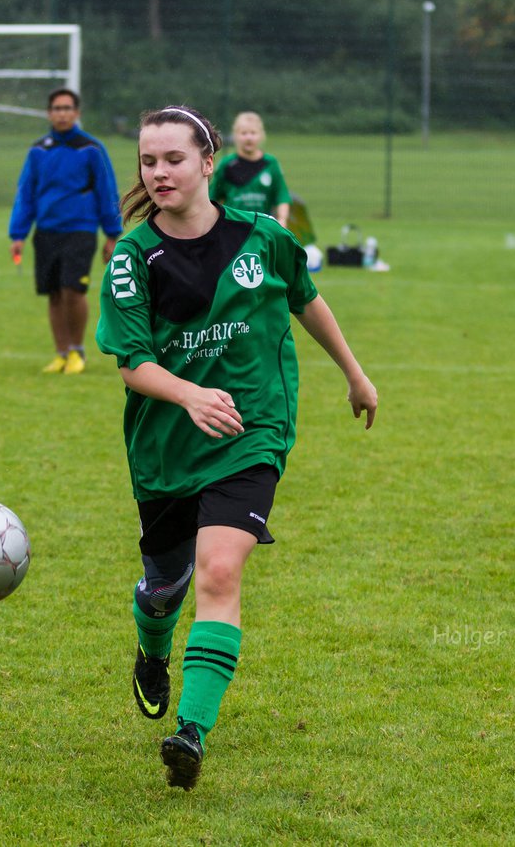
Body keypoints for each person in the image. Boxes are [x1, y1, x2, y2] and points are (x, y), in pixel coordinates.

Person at [95, 105, 378, 790]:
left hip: (253, 432)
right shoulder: (133, 256)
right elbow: (133, 364)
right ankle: (151, 645)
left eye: (172, 159)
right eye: (147, 161)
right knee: (165, 587)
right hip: (165, 446)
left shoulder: (265, 237)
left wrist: (354, 371)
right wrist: (190, 395)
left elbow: (305, 298)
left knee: (219, 571)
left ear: (207, 163)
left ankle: (190, 732)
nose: (158, 172)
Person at [9, 88, 122, 375]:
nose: (62, 113)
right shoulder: (38, 150)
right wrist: (18, 235)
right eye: (56, 108)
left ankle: (77, 351)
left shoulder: (91, 149)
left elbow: (106, 190)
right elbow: (26, 193)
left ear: (76, 113)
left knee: (73, 290)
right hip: (46, 231)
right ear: (49, 113)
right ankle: (60, 353)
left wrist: (112, 233)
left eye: (67, 108)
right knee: (54, 294)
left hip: (80, 231)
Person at [209, 111, 291, 227]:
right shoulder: (226, 164)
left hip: (262, 228)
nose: (249, 137)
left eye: (253, 133)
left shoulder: (270, 164)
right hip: (233, 227)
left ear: (261, 135)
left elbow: (281, 196)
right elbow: (211, 198)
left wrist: (282, 220)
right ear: (235, 136)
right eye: (244, 133)